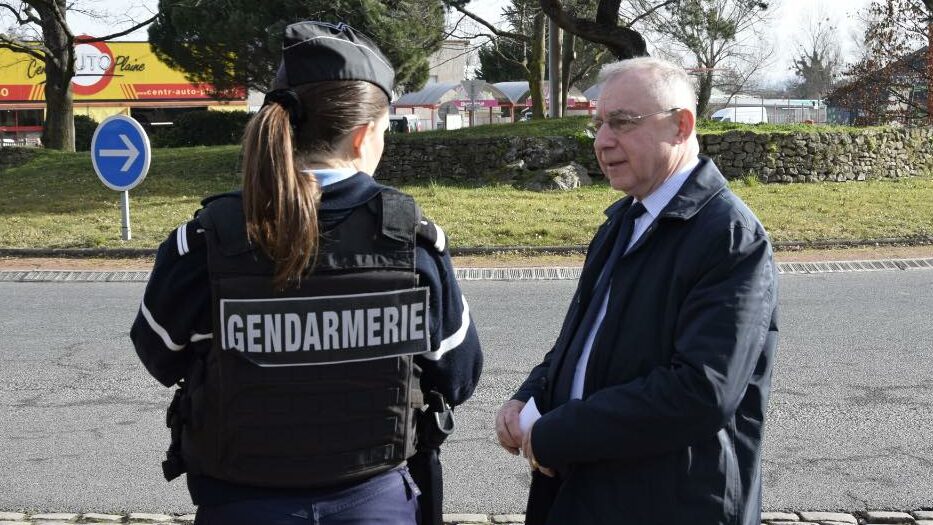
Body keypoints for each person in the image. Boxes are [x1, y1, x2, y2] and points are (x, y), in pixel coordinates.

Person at [131, 20, 482, 525]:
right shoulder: (413, 241)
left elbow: (159, 354)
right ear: (364, 135)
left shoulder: (206, 239)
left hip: (240, 501)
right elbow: (458, 373)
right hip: (373, 501)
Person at [495, 56, 779, 525]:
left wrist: (557, 434)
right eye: (600, 124)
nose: (603, 141)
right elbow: (579, 342)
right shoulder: (624, 219)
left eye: (622, 123)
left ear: (680, 126)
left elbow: (701, 391)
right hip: (592, 490)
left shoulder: (729, 237)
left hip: (674, 503)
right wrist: (530, 395)